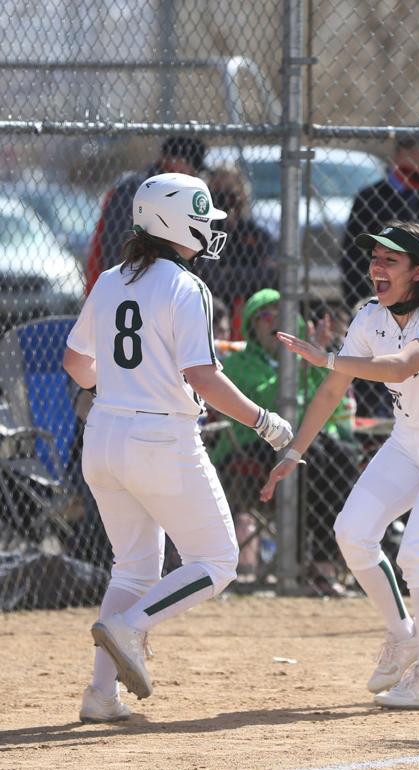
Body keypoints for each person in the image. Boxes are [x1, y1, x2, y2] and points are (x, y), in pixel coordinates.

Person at [63, 173, 293, 722]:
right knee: (217, 560)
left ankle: (101, 695)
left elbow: (76, 364)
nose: (209, 229)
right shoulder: (187, 287)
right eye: (201, 218)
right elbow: (203, 376)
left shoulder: (109, 279)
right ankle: (132, 627)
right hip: (159, 439)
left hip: (104, 435)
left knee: (134, 567)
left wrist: (121, 386)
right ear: (174, 223)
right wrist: (265, 422)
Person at [261, 220, 419, 709]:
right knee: (352, 532)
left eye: (391, 260)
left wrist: (326, 358)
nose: (377, 267)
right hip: (408, 441)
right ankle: (403, 635)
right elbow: (332, 390)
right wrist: (294, 451)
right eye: (375, 258)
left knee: (418, 553)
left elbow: (400, 366)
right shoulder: (369, 315)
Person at [211, 288, 358, 592]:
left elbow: (325, 403)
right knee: (312, 457)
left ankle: (324, 562)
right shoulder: (239, 363)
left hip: (300, 448)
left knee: (342, 453)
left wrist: (314, 363)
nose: (276, 323)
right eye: (267, 316)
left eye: (285, 317)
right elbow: (266, 401)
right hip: (248, 449)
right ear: (252, 323)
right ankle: (302, 563)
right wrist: (298, 369)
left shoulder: (302, 361)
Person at [339, 138, 419, 305]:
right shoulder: (371, 199)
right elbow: (353, 255)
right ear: (403, 154)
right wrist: (361, 302)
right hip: (379, 299)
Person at [86, 137, 207, 293]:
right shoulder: (134, 188)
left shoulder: (169, 193)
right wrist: (122, 286)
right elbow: (114, 244)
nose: (192, 175)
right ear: (175, 162)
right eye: (191, 168)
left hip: (142, 285)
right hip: (117, 285)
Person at [192, 165, 278, 315]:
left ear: (242, 193)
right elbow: (210, 277)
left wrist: (230, 272)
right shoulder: (204, 231)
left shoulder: (254, 233)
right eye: (218, 187)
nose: (224, 195)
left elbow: (271, 274)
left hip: (249, 303)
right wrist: (248, 273)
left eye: (230, 188)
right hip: (211, 303)